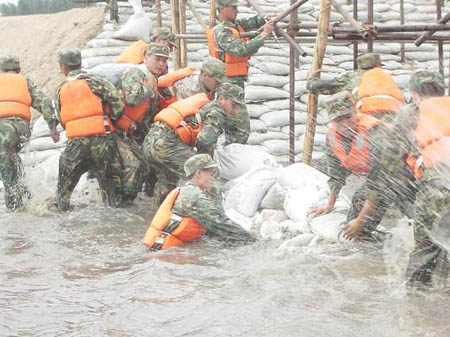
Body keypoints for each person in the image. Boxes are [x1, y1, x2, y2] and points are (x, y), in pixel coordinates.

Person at [365, 70, 449, 289]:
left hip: (439, 184)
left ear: (413, 94)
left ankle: (416, 306)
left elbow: (389, 163)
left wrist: (369, 207)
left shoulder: (411, 113)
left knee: (427, 246)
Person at [307, 91, 394, 241]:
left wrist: (360, 221)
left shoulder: (375, 132)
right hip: (382, 179)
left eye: (348, 117)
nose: (345, 124)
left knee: (424, 219)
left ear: (355, 113)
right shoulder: (333, 138)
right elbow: (337, 175)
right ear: (332, 121)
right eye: (339, 120)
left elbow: (380, 184)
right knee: (353, 227)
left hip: (406, 175)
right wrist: (329, 205)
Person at [143, 82, 248, 206]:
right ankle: (214, 213)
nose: (234, 110)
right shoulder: (217, 111)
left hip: (150, 142)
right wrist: (208, 163)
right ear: (221, 99)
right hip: (166, 145)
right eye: (234, 105)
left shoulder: (204, 105)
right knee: (207, 176)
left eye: (238, 107)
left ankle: (160, 214)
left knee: (168, 179)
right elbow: (205, 141)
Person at [53, 47, 125, 211]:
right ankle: (114, 215)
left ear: (63, 68)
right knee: (110, 189)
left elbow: (61, 117)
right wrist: (110, 121)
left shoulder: (60, 89)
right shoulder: (96, 81)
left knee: (63, 191)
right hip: (102, 140)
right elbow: (117, 104)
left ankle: (62, 215)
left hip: (76, 144)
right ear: (80, 62)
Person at [142, 153, 255, 250]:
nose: (213, 178)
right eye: (211, 174)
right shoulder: (193, 196)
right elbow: (221, 223)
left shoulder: (191, 191)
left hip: (170, 250)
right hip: (163, 253)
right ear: (199, 173)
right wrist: (254, 241)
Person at [0, 55, 57, 210]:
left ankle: (15, 209)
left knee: (5, 166)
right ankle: (26, 195)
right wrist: (52, 126)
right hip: (22, 129)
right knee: (12, 159)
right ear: (18, 69)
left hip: (3, 128)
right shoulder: (24, 80)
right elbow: (44, 102)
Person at [307, 53, 404, 121]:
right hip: (395, 117)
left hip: (368, 115)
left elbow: (319, 87)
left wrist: (311, 79)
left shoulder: (353, 76)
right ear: (379, 65)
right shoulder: (386, 77)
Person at [206, 0, 274, 90]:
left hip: (234, 80)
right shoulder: (221, 31)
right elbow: (241, 50)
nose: (237, 11)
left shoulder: (233, 25)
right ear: (222, 9)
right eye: (234, 8)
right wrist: (264, 34)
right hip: (226, 82)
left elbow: (250, 22)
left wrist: (264, 18)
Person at [114, 67, 157, 204]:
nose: (161, 64)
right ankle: (121, 202)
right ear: (146, 57)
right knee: (133, 165)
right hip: (112, 128)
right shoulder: (135, 74)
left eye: (164, 60)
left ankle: (129, 199)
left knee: (144, 165)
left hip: (126, 130)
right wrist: (149, 87)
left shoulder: (151, 81)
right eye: (157, 59)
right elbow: (132, 99)